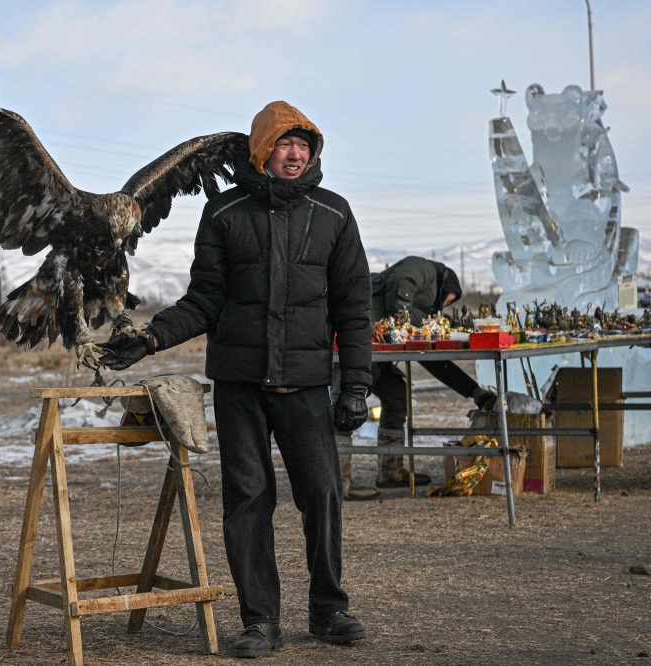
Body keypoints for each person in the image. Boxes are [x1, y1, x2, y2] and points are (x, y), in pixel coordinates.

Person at [99, 101, 371, 656]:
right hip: (241, 385)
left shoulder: (335, 214)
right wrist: (150, 338)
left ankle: (328, 610)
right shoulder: (224, 213)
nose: (294, 154)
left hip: (306, 383)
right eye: (283, 144)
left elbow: (354, 308)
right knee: (248, 501)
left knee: (322, 496)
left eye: (304, 145)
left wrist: (358, 385)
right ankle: (259, 621)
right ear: (261, 149)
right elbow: (205, 300)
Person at [344, 256, 497, 490]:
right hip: (362, 339)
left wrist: (473, 391)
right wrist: (401, 323)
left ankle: (390, 471)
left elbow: (435, 362)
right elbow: (402, 278)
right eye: (448, 299)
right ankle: (337, 481)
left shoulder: (424, 314)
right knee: (347, 401)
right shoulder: (426, 270)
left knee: (396, 394)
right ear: (446, 285)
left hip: (375, 348)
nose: (445, 304)